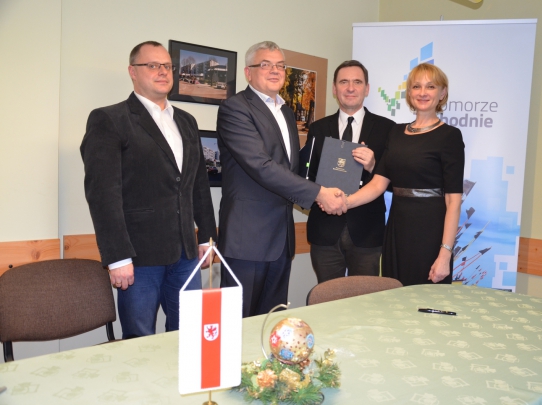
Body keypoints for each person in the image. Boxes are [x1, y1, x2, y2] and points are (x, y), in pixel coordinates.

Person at [80, 41, 217, 338]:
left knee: (190, 336)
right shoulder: (109, 119)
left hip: (186, 254)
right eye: (152, 65)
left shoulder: (187, 121)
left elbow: (198, 185)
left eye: (167, 66)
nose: (162, 71)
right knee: (139, 343)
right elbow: (103, 194)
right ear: (133, 71)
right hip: (138, 258)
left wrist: (207, 238)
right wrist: (117, 257)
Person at [216, 41, 346, 317]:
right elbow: (261, 166)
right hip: (247, 239)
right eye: (265, 64)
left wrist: (342, 162)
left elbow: (289, 166)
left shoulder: (285, 112)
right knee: (238, 322)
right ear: (248, 72)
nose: (274, 70)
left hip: (281, 239)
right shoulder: (235, 108)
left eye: (280, 65)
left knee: (272, 321)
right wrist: (319, 193)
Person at [340, 63, 464, 286]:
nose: (422, 93)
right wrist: (344, 202)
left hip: (430, 233)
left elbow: (453, 201)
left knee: (425, 301)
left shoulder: (450, 136)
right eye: (416, 86)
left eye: (430, 86)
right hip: (396, 231)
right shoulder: (396, 132)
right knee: (394, 296)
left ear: (442, 93)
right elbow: (378, 184)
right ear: (409, 92)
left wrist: (445, 254)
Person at [303, 60, 395, 283]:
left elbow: (396, 183)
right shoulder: (317, 128)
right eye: (344, 82)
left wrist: (373, 166)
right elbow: (307, 177)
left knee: (364, 299)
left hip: (367, 233)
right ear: (335, 89)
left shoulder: (387, 129)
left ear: (367, 88)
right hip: (324, 231)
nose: (350, 88)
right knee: (327, 297)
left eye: (357, 82)